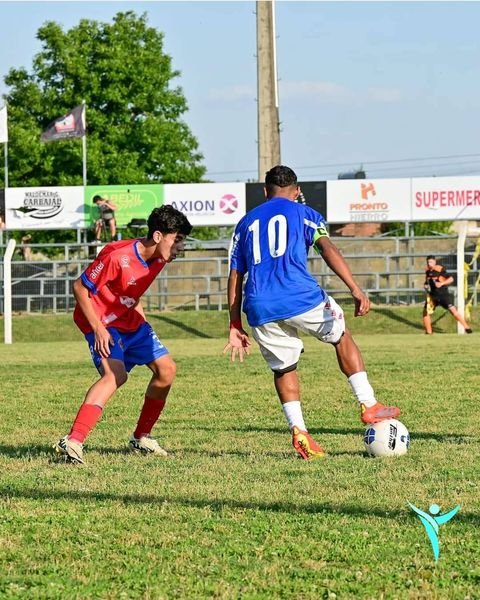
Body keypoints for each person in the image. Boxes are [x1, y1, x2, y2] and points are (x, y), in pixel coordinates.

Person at [224, 165, 400, 460]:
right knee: (341, 336)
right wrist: (354, 288)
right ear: (296, 192)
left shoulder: (245, 223)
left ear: (266, 192)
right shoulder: (305, 214)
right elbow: (327, 248)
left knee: (284, 368)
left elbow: (234, 275)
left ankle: (300, 432)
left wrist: (233, 323)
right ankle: (368, 404)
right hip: (300, 297)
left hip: (258, 304)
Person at [54, 205, 192, 464]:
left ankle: (141, 438)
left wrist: (145, 324)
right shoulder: (117, 256)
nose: (181, 247)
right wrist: (98, 329)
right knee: (116, 375)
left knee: (167, 370)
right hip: (103, 323)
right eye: (178, 240)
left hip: (132, 322)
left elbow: (132, 291)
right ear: (159, 236)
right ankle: (72, 441)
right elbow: (80, 288)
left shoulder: (161, 258)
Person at [422, 255, 472, 335]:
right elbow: (427, 281)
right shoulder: (427, 271)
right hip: (433, 296)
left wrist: (442, 283)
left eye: (431, 262)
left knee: (453, 310)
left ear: (435, 262)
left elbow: (451, 279)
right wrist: (425, 285)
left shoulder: (440, 269)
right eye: (428, 262)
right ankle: (429, 332)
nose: (429, 264)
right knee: (426, 312)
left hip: (443, 295)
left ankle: (467, 327)